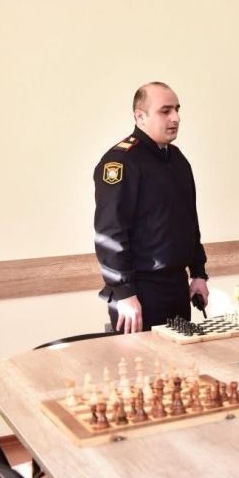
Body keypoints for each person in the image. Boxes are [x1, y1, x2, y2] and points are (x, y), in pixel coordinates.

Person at [94, 82, 209, 333]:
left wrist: (198, 273)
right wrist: (124, 292)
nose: (175, 118)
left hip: (176, 287)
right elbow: (110, 234)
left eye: (177, 109)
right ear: (140, 116)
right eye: (165, 111)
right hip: (140, 291)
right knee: (144, 360)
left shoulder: (177, 160)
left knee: (182, 359)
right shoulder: (121, 161)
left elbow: (189, 223)